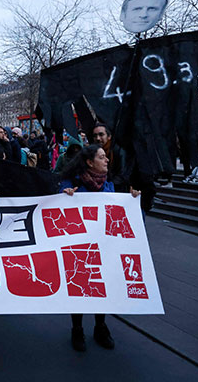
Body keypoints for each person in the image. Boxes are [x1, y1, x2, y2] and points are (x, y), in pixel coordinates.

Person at [60, 144, 140, 351]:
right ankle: (77, 328)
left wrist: (131, 200)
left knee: (101, 285)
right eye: (102, 157)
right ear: (89, 162)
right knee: (80, 286)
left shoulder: (110, 185)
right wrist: (65, 196)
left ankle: (100, 326)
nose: (107, 160)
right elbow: (58, 209)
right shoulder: (72, 184)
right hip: (79, 247)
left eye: (106, 157)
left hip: (104, 245)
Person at [91, 123, 130, 192]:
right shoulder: (92, 152)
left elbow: (123, 175)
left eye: (101, 134)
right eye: (95, 135)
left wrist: (106, 185)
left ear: (109, 136)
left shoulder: (119, 151)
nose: (98, 138)